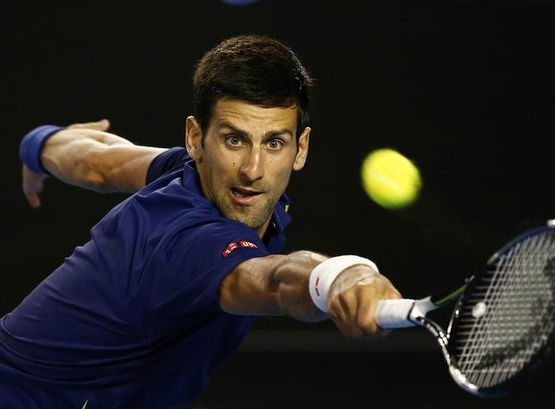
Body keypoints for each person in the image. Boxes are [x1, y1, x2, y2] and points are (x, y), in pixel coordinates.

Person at [2, 35, 402, 409]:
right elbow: (275, 280)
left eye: (274, 143)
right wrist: (342, 276)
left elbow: (97, 162)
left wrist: (39, 145)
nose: (252, 169)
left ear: (301, 148)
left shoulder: (181, 171)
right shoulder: (186, 240)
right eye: (235, 139)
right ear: (196, 138)